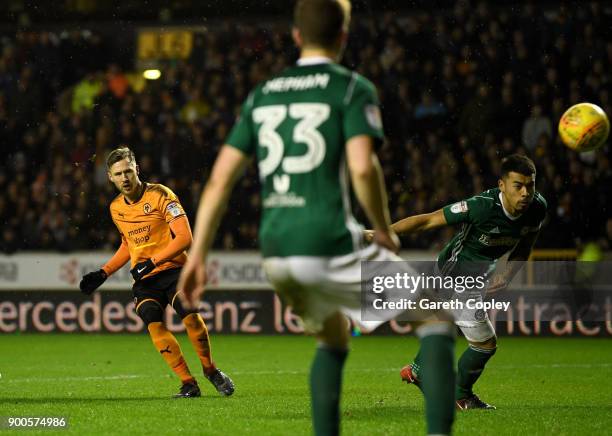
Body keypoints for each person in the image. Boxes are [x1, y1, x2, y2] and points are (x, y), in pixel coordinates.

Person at [178, 1, 455, 434]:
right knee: (434, 318)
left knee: (332, 338)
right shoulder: (350, 88)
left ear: (295, 36)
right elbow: (364, 167)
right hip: (326, 237)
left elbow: (218, 183)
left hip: (276, 251)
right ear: (344, 35)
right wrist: (382, 228)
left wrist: (197, 258)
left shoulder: (263, 94)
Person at [367, 154, 547, 410]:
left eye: (530, 185)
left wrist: (507, 275)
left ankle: (418, 370)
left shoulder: (538, 208)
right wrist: (380, 233)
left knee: (446, 324)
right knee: (485, 343)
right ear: (502, 185)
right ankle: (460, 395)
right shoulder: (481, 207)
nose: (526, 193)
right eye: (518, 185)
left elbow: (524, 246)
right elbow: (428, 220)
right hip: (456, 273)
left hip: (481, 274)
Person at [79, 146, 234, 398]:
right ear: (110, 177)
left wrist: (152, 261)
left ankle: (211, 370)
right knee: (153, 322)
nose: (125, 178)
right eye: (118, 174)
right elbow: (128, 244)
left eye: (128, 171)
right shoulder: (116, 208)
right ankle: (188, 384)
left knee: (190, 316)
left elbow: (185, 238)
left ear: (137, 169)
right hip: (145, 279)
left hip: (174, 269)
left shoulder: (161, 195)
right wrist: (104, 272)